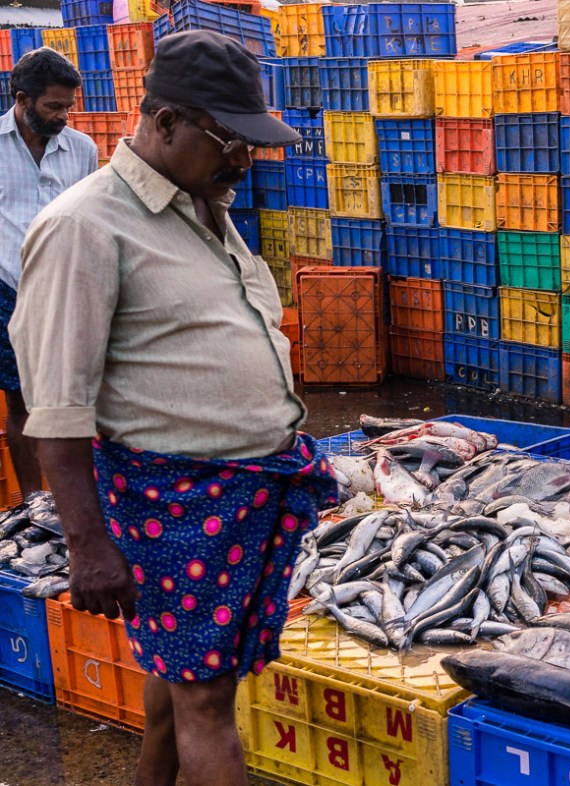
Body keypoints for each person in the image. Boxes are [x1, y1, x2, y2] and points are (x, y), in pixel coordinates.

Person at [11, 31, 336, 786]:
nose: (243, 160)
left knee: (180, 675)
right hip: (179, 501)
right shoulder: (83, 226)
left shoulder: (202, 206)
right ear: (163, 124)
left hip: (247, 494)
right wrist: (90, 549)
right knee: (206, 702)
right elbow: (55, 412)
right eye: (229, 140)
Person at [0, 47, 97, 499]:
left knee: (72, 401)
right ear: (22, 99)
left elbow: (90, 218)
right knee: (21, 402)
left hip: (65, 290)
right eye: (54, 106)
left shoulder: (81, 149)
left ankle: (74, 498)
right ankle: (31, 501)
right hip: (7, 290)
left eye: (68, 107)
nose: (63, 115)